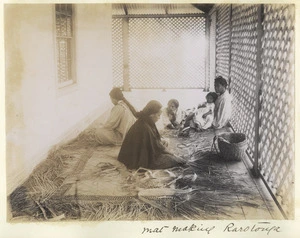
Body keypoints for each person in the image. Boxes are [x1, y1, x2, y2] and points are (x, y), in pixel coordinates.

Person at [118, 100, 186, 170]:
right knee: (172, 160)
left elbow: (154, 141)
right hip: (136, 159)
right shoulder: (145, 127)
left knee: (166, 146)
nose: (159, 118)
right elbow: (157, 146)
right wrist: (173, 155)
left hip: (131, 154)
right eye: (158, 115)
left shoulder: (145, 120)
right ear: (151, 115)